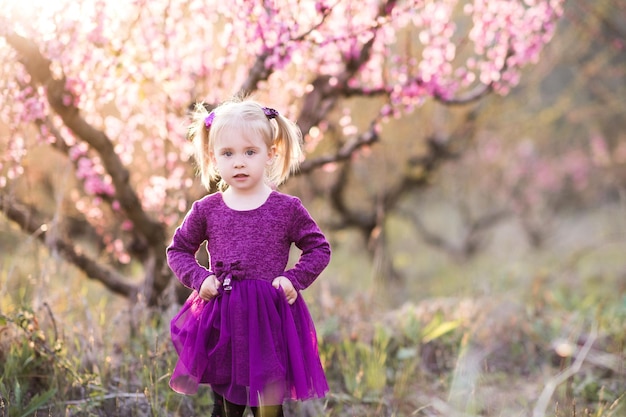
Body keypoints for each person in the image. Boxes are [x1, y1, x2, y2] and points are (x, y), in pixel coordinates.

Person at [167, 97, 331, 417]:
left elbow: (318, 248)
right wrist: (201, 279)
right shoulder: (207, 209)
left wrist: (292, 278)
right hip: (223, 321)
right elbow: (178, 250)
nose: (239, 162)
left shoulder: (287, 209)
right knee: (227, 406)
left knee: (268, 407)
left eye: (250, 152)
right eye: (228, 154)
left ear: (270, 154)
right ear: (214, 158)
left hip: (269, 322)